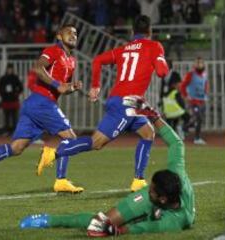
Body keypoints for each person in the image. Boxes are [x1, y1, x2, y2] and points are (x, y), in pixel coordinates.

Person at [38, 15, 169, 192]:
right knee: (96, 143)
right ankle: (53, 153)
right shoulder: (154, 46)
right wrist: (162, 61)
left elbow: (98, 60)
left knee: (148, 133)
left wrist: (96, 86)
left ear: (132, 33)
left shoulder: (123, 49)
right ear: (150, 32)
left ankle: (138, 180)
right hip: (126, 103)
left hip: (130, 101)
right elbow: (161, 72)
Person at [20, 107, 195, 237]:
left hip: (163, 211)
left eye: (151, 190)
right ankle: (47, 220)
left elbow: (145, 229)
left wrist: (117, 231)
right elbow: (176, 143)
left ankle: (50, 221)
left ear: (161, 198)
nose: (148, 189)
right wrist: (154, 116)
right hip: (159, 203)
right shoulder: (176, 173)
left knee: (104, 227)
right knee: (99, 222)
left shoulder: (175, 221)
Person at [0, 24, 84, 194]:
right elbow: (38, 68)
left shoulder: (72, 60)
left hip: (35, 104)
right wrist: (59, 85)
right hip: (42, 102)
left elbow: (62, 88)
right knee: (71, 139)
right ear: (59, 36)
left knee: (17, 148)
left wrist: (72, 87)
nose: (73, 35)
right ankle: (60, 180)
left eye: (75, 33)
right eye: (69, 32)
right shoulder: (53, 50)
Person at [180, 57, 208, 145]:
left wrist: (206, 95)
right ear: (194, 65)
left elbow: (206, 85)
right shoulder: (190, 74)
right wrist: (185, 96)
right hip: (193, 100)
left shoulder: (204, 74)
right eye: (197, 63)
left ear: (203, 64)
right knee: (198, 117)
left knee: (199, 118)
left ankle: (183, 128)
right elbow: (183, 85)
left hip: (202, 100)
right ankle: (197, 138)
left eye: (201, 63)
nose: (199, 65)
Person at [160, 59, 189, 139]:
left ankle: (181, 129)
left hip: (175, 99)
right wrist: (161, 100)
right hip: (166, 101)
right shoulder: (163, 75)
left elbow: (179, 85)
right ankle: (172, 135)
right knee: (169, 120)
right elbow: (162, 89)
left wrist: (179, 92)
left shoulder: (175, 74)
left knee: (183, 116)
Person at [0, 64, 23, 135]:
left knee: (14, 116)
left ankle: (15, 131)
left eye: (11, 69)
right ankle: (7, 130)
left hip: (14, 100)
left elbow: (21, 88)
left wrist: (16, 93)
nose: (9, 71)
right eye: (8, 69)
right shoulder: (3, 78)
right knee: (6, 117)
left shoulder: (15, 78)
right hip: (5, 100)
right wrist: (3, 95)